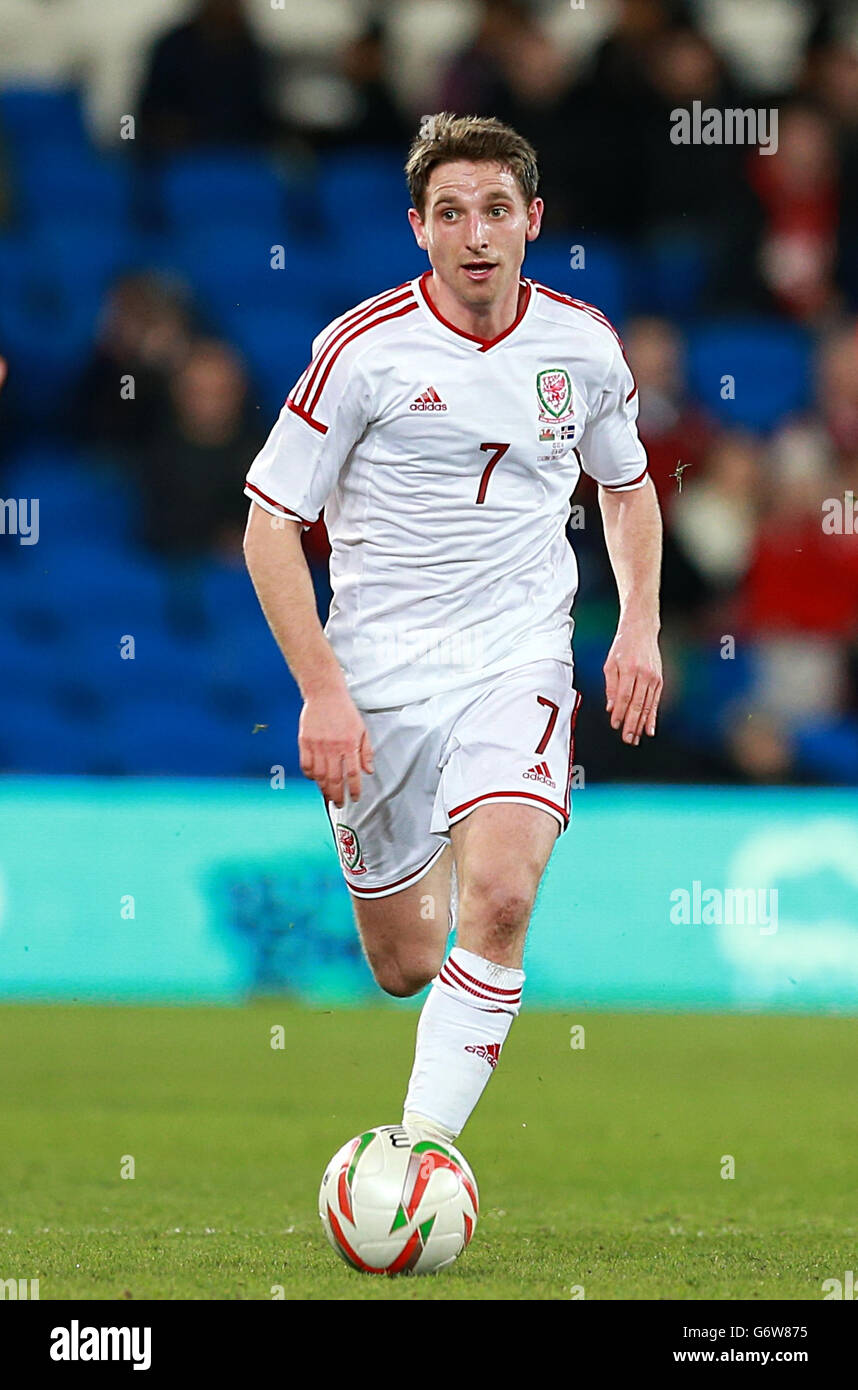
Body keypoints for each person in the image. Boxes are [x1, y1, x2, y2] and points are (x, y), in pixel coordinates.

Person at [242, 114, 663, 1144]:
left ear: (533, 221)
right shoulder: (362, 351)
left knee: (505, 898)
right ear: (419, 229)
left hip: (517, 659)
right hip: (380, 679)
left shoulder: (583, 345)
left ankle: (417, 1155)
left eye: (496, 210)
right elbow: (268, 526)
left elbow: (628, 488)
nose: (476, 234)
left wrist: (639, 627)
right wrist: (325, 690)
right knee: (405, 964)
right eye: (450, 213)